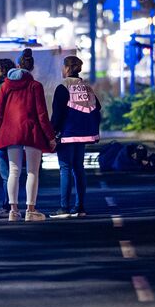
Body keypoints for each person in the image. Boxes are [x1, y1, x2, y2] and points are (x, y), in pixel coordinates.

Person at [0, 48, 57, 222]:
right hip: (31, 131)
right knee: (32, 172)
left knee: (13, 171)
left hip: (10, 132)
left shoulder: (6, 86)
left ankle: (13, 211)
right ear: (31, 67)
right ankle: (31, 210)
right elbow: (42, 115)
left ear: (17, 65)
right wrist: (50, 137)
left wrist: (0, 134)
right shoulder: (35, 86)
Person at [49, 55, 101, 218]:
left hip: (67, 134)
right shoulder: (86, 87)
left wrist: (51, 132)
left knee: (65, 169)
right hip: (85, 133)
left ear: (66, 68)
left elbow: (57, 114)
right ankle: (80, 207)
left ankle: (64, 207)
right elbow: (97, 106)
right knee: (79, 169)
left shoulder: (63, 86)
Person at [0, 58, 18, 216]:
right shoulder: (13, 86)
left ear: (3, 70)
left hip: (2, 133)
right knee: (13, 171)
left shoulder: (2, 87)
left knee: (6, 173)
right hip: (14, 133)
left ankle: (8, 206)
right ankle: (11, 205)